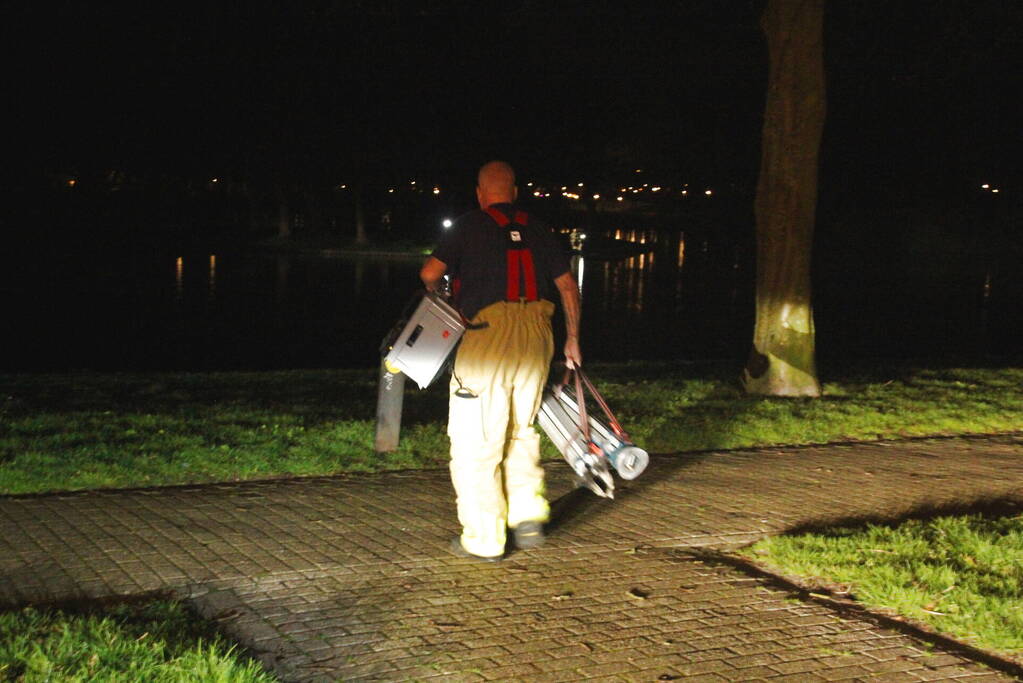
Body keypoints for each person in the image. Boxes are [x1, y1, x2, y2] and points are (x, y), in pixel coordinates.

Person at [421, 161, 582, 561]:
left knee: (476, 438)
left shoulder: (467, 226)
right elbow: (567, 286)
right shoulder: (540, 228)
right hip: (537, 334)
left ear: (480, 193)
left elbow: (429, 273)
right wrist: (573, 340)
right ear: (514, 192)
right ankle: (527, 520)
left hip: (488, 335)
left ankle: (484, 538)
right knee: (521, 427)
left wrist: (446, 296)